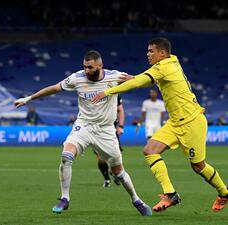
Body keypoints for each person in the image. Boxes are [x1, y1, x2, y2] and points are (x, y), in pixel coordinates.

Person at [92, 37, 228, 212]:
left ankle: (224, 192)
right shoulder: (169, 63)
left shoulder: (165, 66)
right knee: (150, 150)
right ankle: (170, 194)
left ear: (162, 53)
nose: (148, 54)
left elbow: (141, 81)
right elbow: (148, 78)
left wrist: (108, 92)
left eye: (151, 51)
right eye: (148, 51)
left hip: (192, 121)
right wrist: (135, 78)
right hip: (174, 123)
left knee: (198, 166)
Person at [14, 50, 152, 216]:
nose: (86, 70)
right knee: (66, 156)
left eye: (90, 67)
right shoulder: (76, 78)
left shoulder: (115, 76)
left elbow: (143, 82)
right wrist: (28, 99)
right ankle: (65, 198)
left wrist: (140, 79)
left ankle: (136, 200)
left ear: (100, 65)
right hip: (84, 126)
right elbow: (53, 89)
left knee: (119, 173)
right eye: (85, 67)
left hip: (106, 130)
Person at [96, 95, 125, 187]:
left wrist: (120, 126)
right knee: (101, 159)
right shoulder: (93, 93)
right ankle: (107, 179)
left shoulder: (114, 94)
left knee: (117, 155)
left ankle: (115, 173)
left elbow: (120, 110)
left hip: (111, 129)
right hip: (97, 130)